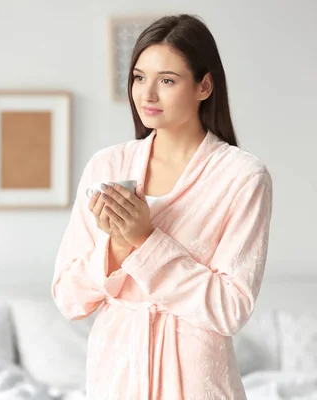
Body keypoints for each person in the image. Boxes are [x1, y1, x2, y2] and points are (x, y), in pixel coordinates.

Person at [51, 13, 273, 400]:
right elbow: (69, 297)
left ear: (204, 85)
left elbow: (230, 309)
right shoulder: (107, 167)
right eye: (139, 77)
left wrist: (144, 238)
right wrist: (118, 248)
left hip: (195, 383)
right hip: (114, 379)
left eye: (166, 80)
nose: (147, 95)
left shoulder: (242, 176)